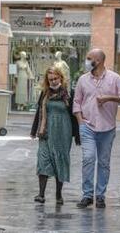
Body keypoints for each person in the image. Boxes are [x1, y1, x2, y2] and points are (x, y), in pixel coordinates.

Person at [73, 49, 120, 209]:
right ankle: (87, 195)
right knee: (88, 159)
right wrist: (80, 120)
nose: (86, 61)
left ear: (98, 61)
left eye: (89, 58)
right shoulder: (82, 80)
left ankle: (100, 196)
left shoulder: (114, 78)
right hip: (87, 127)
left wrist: (109, 98)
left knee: (104, 163)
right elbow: (76, 101)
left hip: (107, 128)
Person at [30, 67, 80, 205]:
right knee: (43, 159)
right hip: (45, 132)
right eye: (50, 79)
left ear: (61, 78)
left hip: (63, 132)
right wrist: (34, 130)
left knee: (60, 160)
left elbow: (74, 115)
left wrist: (77, 135)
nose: (53, 82)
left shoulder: (69, 94)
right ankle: (41, 194)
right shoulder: (45, 93)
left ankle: (58, 194)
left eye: (55, 79)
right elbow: (39, 113)